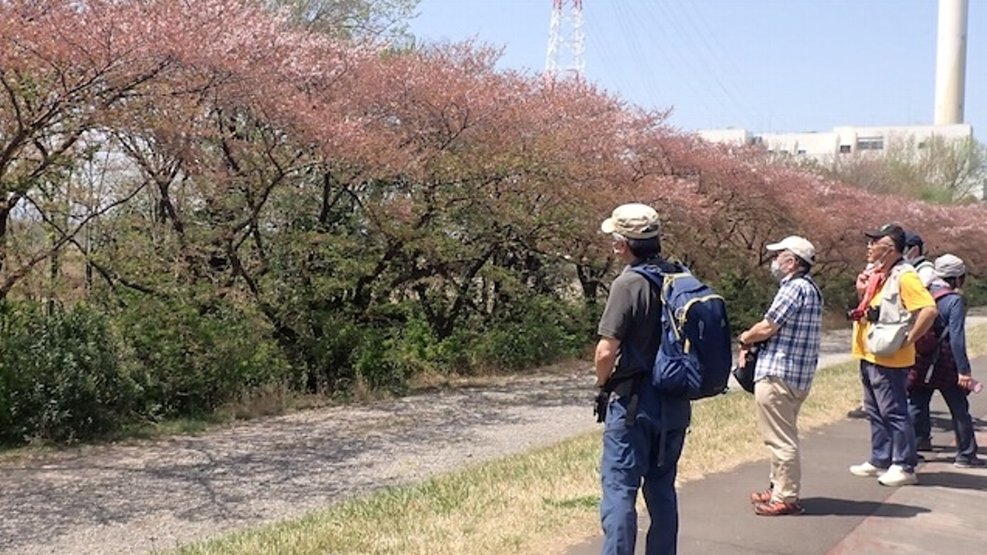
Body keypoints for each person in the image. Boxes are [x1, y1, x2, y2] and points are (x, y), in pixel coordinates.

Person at [595, 203, 690, 555]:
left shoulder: (628, 283)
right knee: (662, 488)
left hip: (635, 402)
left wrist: (603, 384)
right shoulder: (679, 276)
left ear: (623, 244)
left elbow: (606, 351)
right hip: (675, 400)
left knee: (620, 488)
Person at [738, 236, 823, 516]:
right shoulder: (811, 289)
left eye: (779, 256)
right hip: (797, 374)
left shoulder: (793, 288)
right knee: (781, 433)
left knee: (780, 439)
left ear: (792, 262)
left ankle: (785, 496)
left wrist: (745, 338)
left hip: (778, 373)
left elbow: (768, 326)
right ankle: (777, 488)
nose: (775, 262)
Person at [848, 223, 938, 486]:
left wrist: (910, 338)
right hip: (870, 353)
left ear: (888, 249)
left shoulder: (905, 276)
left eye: (874, 242)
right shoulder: (878, 275)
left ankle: (905, 465)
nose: (869, 246)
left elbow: (928, 310)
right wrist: (862, 292)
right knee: (875, 411)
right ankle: (881, 459)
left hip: (889, 357)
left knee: (895, 411)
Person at [906, 254, 985, 468]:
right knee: (959, 408)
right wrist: (964, 371)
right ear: (957, 278)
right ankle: (966, 455)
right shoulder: (953, 300)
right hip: (945, 362)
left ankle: (912, 450)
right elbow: (957, 338)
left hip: (920, 359)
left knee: (916, 404)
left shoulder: (922, 293)